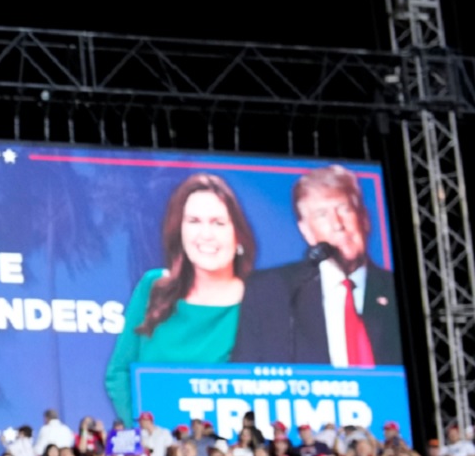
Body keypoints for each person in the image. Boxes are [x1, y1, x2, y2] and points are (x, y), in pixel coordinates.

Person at [104, 174, 257, 422]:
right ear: (180, 231)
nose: (206, 234)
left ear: (238, 234)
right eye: (194, 221)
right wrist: (145, 434)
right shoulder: (153, 287)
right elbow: (118, 372)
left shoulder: (260, 299)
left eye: (218, 222)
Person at [232, 165, 402, 366]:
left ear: (364, 218)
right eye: (322, 215)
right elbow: (245, 374)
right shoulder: (271, 291)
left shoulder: (397, 291)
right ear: (307, 232)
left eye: (345, 209)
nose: (338, 224)